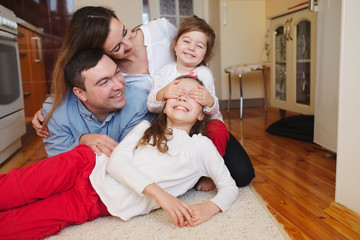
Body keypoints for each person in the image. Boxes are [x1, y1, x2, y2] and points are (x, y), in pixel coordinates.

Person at [32, 6, 255, 187]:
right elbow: (80, 85)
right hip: (159, 129)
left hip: (195, 119)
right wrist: (48, 111)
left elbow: (194, 48)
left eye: (125, 32)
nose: (129, 45)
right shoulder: (109, 70)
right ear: (100, 53)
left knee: (241, 175)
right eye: (117, 47)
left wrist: (202, 83)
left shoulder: (161, 30)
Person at [0, 76, 238, 240]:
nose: (184, 97)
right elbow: (116, 162)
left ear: (201, 115)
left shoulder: (202, 147)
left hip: (93, 203)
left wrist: (210, 207)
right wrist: (162, 196)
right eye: (177, 92)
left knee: (18, 226)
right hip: (85, 163)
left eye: (194, 96)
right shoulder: (145, 127)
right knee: (16, 186)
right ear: (164, 106)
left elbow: (229, 187)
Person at [147, 15, 229, 191]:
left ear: (205, 54)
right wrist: (163, 93)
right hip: (173, 125)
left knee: (218, 129)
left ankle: (210, 173)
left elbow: (213, 111)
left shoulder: (204, 74)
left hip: (200, 125)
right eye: (186, 41)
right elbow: (151, 106)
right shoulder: (164, 73)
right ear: (175, 44)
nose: (191, 48)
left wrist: (209, 101)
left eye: (199, 46)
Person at [42, 48, 154, 157]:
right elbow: (58, 165)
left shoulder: (139, 103)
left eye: (117, 73)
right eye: (104, 82)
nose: (119, 85)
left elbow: (128, 160)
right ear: (81, 93)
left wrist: (79, 150)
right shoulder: (56, 112)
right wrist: (82, 142)